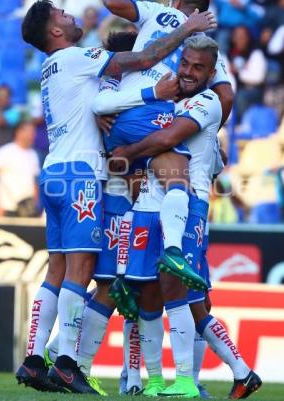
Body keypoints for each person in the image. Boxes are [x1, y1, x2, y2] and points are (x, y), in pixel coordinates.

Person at [15, 0, 213, 394]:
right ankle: (68, 363)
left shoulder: (52, 67)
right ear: (54, 32)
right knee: (81, 270)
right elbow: (145, 57)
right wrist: (186, 28)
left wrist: (105, 109)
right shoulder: (74, 57)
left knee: (56, 270)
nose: (71, 17)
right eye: (63, 15)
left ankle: (35, 359)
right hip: (81, 176)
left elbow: (97, 98)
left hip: (54, 170)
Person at [113, 36, 262, 400]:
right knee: (147, 292)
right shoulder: (171, 96)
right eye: (187, 64)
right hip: (150, 203)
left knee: (178, 292)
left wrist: (125, 152)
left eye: (199, 68)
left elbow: (167, 139)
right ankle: (154, 381)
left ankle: (186, 380)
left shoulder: (208, 100)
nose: (190, 72)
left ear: (212, 72)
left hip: (188, 207)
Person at [95, 0, 230, 295]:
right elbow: (225, 96)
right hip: (150, 116)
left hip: (116, 125)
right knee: (177, 182)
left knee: (137, 196)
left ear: (175, 1)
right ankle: (172, 252)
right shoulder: (202, 46)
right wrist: (208, 133)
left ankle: (121, 274)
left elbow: (114, 3)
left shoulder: (154, 13)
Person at [0, 121, 40, 217]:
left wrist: (34, 204)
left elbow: (35, 183)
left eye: (33, 132)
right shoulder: (4, 152)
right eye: (29, 131)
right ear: (19, 132)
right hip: (6, 208)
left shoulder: (33, 154)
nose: (33, 135)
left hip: (27, 210)